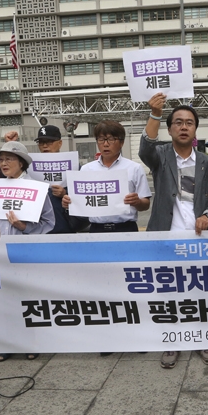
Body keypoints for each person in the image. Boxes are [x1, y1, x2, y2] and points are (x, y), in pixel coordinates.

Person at [139, 92, 208, 369]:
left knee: (201, 292)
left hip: (200, 241)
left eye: (189, 122)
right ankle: (172, 341)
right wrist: (154, 113)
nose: (184, 126)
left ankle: (202, 339)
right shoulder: (161, 156)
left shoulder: (205, 161)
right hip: (166, 239)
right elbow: (144, 148)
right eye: (178, 122)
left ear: (196, 129)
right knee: (170, 292)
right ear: (170, 129)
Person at [64, 120, 151, 357]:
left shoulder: (133, 169)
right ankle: (109, 337)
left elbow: (145, 204)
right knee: (103, 285)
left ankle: (137, 336)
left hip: (126, 230)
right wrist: (68, 202)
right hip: (98, 232)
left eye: (111, 139)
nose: (105, 143)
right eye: (101, 139)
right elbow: (78, 203)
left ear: (120, 142)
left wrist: (137, 201)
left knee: (131, 284)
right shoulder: (86, 170)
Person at [0, 141, 55, 362]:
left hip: (25, 252)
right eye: (1, 159)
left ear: (22, 163)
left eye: (9, 159)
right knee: (2, 299)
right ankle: (5, 343)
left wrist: (24, 227)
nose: (4, 163)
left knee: (26, 299)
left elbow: (49, 222)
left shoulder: (37, 188)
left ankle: (30, 342)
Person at [34, 125, 78, 234]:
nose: (44, 146)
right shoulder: (30, 168)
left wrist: (65, 193)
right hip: (38, 230)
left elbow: (83, 196)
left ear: (60, 143)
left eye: (49, 142)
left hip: (64, 229)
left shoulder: (74, 166)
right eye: (41, 142)